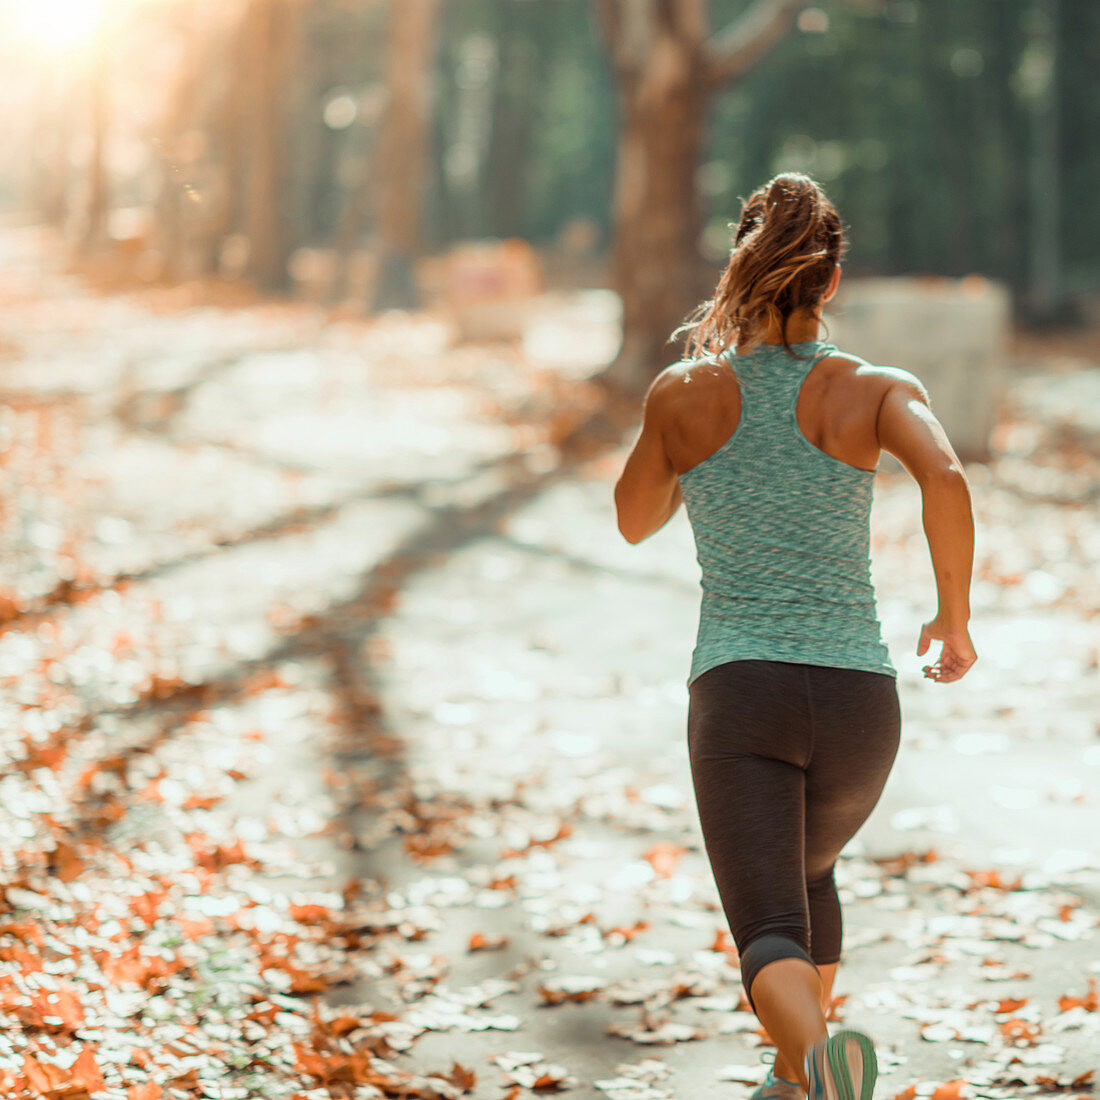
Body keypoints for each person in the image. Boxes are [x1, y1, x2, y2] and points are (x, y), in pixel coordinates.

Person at [612, 172, 977, 1100]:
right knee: (811, 873)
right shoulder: (876, 388)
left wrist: (687, 443)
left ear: (739, 267)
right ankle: (792, 1077)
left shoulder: (685, 391)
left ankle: (820, 1067)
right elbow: (946, 478)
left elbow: (633, 518)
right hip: (859, 698)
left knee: (769, 922)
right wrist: (953, 616)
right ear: (832, 278)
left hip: (742, 690)